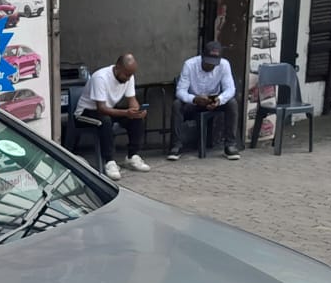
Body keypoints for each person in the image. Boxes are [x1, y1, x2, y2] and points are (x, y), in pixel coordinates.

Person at [75, 53, 150, 181]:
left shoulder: (129, 76)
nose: (128, 78)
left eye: (130, 75)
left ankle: (132, 156)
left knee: (136, 119)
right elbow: (101, 108)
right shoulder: (100, 77)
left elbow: (132, 100)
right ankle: (109, 161)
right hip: (86, 112)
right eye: (126, 75)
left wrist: (137, 111)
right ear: (117, 67)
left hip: (108, 110)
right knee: (105, 120)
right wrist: (126, 113)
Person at [168, 41, 240, 160]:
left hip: (214, 99)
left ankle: (230, 145)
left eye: (214, 63)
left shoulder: (224, 64)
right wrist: (194, 99)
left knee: (232, 103)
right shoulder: (189, 65)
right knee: (177, 104)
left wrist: (219, 100)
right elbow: (180, 91)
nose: (210, 66)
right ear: (202, 56)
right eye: (208, 62)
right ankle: (176, 146)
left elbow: (230, 89)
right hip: (194, 100)